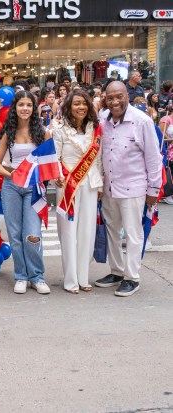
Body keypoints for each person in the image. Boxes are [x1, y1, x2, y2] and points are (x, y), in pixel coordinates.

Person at [94, 81, 162, 297]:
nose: (115, 102)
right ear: (105, 98)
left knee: (133, 233)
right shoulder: (102, 119)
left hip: (134, 187)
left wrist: (153, 190)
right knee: (112, 230)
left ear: (127, 96)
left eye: (119, 97)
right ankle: (116, 271)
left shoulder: (141, 122)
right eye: (110, 98)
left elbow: (153, 158)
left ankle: (132, 277)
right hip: (109, 188)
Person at [0, 90, 52, 295]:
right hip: (11, 187)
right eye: (21, 105)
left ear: (33, 108)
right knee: (15, 234)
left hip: (34, 188)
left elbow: (49, 162)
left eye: (28, 105)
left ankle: (37, 276)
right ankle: (21, 276)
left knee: (32, 234)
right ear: (15, 108)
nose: (25, 108)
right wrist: (11, 174)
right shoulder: (8, 133)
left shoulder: (43, 132)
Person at [52, 89, 103, 294]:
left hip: (90, 184)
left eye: (84, 103)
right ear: (69, 107)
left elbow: (97, 159)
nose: (80, 107)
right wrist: (57, 175)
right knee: (68, 233)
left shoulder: (94, 129)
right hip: (67, 187)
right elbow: (54, 158)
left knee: (87, 232)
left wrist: (100, 184)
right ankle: (71, 280)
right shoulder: (60, 129)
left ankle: (83, 278)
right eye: (76, 103)